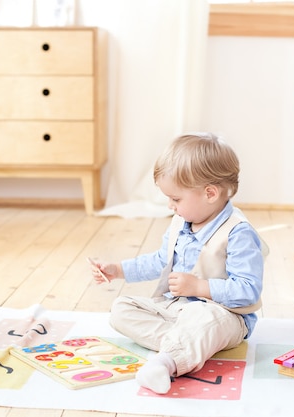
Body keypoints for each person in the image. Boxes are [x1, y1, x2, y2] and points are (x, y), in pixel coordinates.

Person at [89, 132, 264, 394]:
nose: (170, 206)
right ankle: (187, 345)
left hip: (223, 315)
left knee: (206, 319)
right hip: (175, 311)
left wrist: (200, 288)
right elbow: (160, 261)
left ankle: (166, 362)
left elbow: (248, 290)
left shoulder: (238, 232)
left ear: (210, 193)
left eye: (176, 199)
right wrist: (118, 270)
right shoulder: (180, 224)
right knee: (121, 309)